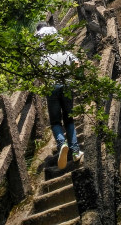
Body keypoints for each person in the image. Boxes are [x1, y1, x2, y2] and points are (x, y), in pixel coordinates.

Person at [36, 23, 83, 169]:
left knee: (56, 122)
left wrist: (47, 82)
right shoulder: (64, 52)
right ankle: (75, 152)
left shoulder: (43, 57)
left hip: (52, 88)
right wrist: (73, 77)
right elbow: (76, 63)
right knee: (69, 119)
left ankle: (62, 143)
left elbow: (40, 75)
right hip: (67, 85)